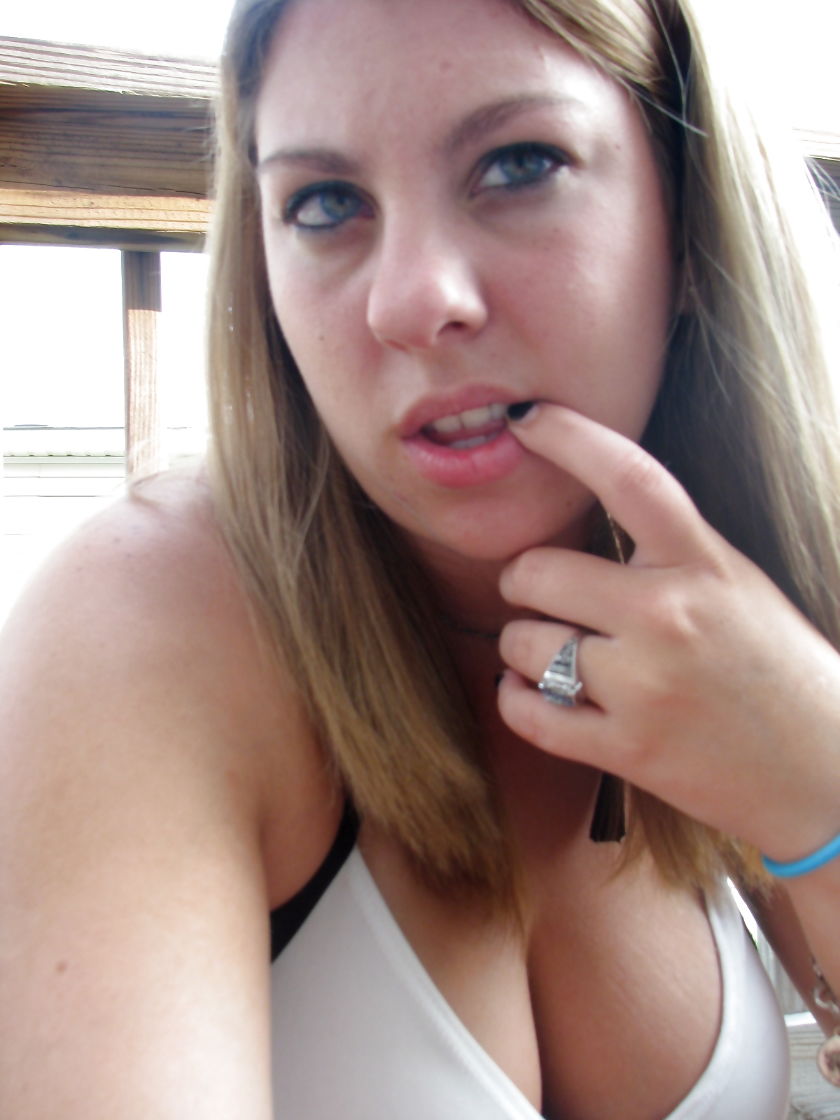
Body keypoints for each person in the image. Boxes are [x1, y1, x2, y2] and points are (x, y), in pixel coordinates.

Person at [1, 0, 839, 1115]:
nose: (412, 302)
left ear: (687, 215)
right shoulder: (146, 621)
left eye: (518, 164)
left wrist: (818, 786)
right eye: (326, 202)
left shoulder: (748, 581)